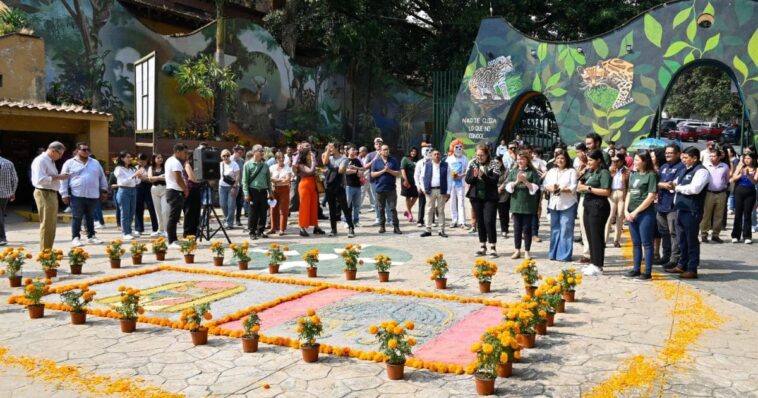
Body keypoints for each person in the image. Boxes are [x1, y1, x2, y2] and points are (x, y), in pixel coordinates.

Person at [665, 146, 710, 278]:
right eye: (682, 158)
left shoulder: (702, 172)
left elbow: (695, 189)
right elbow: (675, 185)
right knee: (682, 240)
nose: (683, 160)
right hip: (681, 209)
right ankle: (682, 265)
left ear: (695, 158)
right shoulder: (684, 170)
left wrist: (677, 187)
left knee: (691, 240)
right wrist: (671, 186)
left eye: (686, 158)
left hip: (692, 210)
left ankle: (692, 268)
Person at [59, 142, 108, 247]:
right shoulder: (69, 163)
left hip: (93, 195)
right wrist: (64, 194)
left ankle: (91, 237)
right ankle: (75, 238)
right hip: (77, 195)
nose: (86, 152)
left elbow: (102, 177)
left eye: (87, 150)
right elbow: (63, 180)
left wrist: (104, 190)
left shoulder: (95, 163)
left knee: (90, 217)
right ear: (77, 151)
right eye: (84, 150)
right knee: (77, 217)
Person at [624, 151, 659, 280]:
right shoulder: (633, 175)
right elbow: (629, 193)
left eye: (637, 160)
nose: (635, 162)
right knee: (636, 243)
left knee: (647, 243)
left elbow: (650, 196)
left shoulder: (651, 175)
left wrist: (636, 211)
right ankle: (636, 269)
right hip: (631, 213)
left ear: (644, 161)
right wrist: (626, 211)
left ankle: (647, 272)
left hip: (645, 213)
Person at [577, 149, 612, 276]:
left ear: (598, 160)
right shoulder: (590, 171)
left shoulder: (604, 173)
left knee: (597, 236)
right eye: (588, 160)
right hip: (588, 204)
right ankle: (593, 262)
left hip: (598, 205)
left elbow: (606, 191)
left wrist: (588, 188)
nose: (589, 162)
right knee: (590, 235)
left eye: (591, 160)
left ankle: (598, 264)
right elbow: (581, 181)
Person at [31, 142, 70, 250]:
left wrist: (58, 177)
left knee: (51, 224)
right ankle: (45, 251)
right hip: (44, 192)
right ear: (53, 151)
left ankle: (48, 249)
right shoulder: (41, 160)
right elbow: (40, 179)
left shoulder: (50, 161)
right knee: (47, 224)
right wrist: (58, 177)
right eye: (60, 154)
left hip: (51, 192)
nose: (61, 157)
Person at [466, 143, 501, 258]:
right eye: (477, 155)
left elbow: (495, 181)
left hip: (490, 197)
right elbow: (468, 179)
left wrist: (483, 176)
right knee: (480, 221)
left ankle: (493, 247)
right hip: (476, 197)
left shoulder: (494, 164)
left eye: (481, 155)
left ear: (487, 154)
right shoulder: (473, 163)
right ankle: (482, 246)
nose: (479, 157)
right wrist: (475, 176)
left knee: (489, 221)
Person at [543, 151, 577, 262]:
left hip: (568, 203)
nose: (560, 160)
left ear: (566, 159)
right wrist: (551, 188)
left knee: (566, 229)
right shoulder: (552, 171)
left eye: (562, 158)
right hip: (554, 203)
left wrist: (561, 189)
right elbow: (545, 184)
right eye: (557, 158)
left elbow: (573, 187)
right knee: (555, 229)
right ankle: (553, 253)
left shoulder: (571, 171)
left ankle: (564, 255)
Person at [506, 150, 540, 260]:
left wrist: (525, 181)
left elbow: (535, 188)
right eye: (518, 159)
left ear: (527, 160)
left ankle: (527, 251)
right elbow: (509, 187)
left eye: (522, 159)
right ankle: (517, 250)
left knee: (527, 229)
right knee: (517, 228)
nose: (520, 161)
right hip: (516, 203)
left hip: (528, 204)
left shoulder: (532, 172)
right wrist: (516, 181)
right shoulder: (514, 171)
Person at [656, 144, 685, 270]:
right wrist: (662, 184)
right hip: (661, 205)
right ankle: (666, 256)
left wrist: (662, 184)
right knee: (664, 233)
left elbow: (672, 185)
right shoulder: (663, 167)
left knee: (674, 233)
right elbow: (658, 183)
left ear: (678, 154)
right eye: (666, 153)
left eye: (671, 153)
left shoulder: (681, 167)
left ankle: (675, 258)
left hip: (673, 206)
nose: (667, 155)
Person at [293, 142, 325, 236]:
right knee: (304, 206)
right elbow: (310, 171)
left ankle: (316, 226)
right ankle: (302, 227)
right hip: (305, 185)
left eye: (309, 145)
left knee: (314, 206)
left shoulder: (311, 160)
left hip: (313, 184)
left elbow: (317, 170)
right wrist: (314, 161)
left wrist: (320, 170)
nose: (309, 146)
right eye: (306, 146)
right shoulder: (300, 163)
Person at [324, 143, 355, 237]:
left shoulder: (344, 158)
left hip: (340, 185)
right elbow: (325, 163)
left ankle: (351, 228)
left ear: (337, 148)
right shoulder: (329, 158)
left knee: (345, 207)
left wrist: (332, 168)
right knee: (331, 209)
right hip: (329, 186)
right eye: (329, 148)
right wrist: (328, 152)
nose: (330, 149)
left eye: (331, 147)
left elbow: (341, 171)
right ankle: (333, 229)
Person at [242, 145, 273, 239]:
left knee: (263, 213)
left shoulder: (265, 165)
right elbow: (244, 180)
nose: (262, 152)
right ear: (254, 152)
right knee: (253, 213)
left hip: (263, 191)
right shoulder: (247, 164)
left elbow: (268, 180)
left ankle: (260, 231)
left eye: (263, 151)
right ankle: (252, 232)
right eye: (260, 151)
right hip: (253, 191)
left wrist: (270, 192)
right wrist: (246, 193)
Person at [420, 148, 452, 238]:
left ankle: (441, 230)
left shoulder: (446, 165)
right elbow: (421, 177)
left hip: (442, 190)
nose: (437, 156)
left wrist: (448, 191)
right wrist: (423, 189)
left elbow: (449, 179)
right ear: (431, 156)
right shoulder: (427, 165)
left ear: (440, 155)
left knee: (441, 210)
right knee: (429, 210)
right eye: (435, 154)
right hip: (430, 191)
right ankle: (427, 229)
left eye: (438, 154)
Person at [370, 144, 402, 234]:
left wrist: (389, 170)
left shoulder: (393, 160)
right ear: (380, 151)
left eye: (387, 149)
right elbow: (372, 174)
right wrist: (383, 171)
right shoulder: (376, 162)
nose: (386, 151)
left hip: (391, 189)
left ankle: (396, 227)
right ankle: (382, 226)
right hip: (380, 189)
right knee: (381, 209)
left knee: (392, 208)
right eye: (384, 150)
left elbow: (399, 174)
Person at [699, 150, 730, 243]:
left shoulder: (725, 166)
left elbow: (727, 179)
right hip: (709, 193)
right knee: (706, 214)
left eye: (714, 156)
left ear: (719, 157)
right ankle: (704, 234)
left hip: (721, 193)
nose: (711, 158)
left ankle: (715, 234)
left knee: (719, 215)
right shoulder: (705, 166)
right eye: (710, 156)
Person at [113, 151, 144, 240]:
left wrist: (139, 176)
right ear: (122, 158)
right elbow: (122, 182)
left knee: (131, 212)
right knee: (125, 212)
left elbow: (136, 182)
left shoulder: (132, 169)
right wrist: (134, 175)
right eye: (127, 157)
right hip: (124, 190)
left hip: (133, 190)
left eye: (130, 157)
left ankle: (129, 230)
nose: (129, 158)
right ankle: (125, 232)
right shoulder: (119, 169)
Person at [730, 152, 757, 244]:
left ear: (753, 159)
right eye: (745, 158)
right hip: (739, 191)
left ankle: (747, 236)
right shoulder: (740, 167)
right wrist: (741, 174)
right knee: (738, 213)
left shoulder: (756, 169)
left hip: (750, 192)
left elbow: (754, 182)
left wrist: (749, 175)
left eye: (749, 158)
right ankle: (735, 235)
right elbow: (733, 178)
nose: (746, 160)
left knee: (747, 214)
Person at [166, 144, 189, 247]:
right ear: (178, 152)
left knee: (175, 217)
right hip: (175, 192)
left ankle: (174, 239)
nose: (186, 155)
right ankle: (171, 241)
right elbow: (178, 179)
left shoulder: (171, 160)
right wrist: (185, 189)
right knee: (173, 217)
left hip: (173, 191)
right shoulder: (175, 162)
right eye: (185, 153)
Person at [605, 153, 629, 248]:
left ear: (622, 161)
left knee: (620, 217)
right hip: (612, 193)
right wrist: (611, 172)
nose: (615, 162)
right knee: (609, 217)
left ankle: (616, 240)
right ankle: (605, 240)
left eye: (617, 161)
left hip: (622, 193)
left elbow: (627, 183)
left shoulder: (626, 171)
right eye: (613, 161)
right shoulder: (610, 170)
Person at [134, 153, 159, 237]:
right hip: (138, 188)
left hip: (148, 188)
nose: (140, 163)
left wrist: (143, 177)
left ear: (146, 160)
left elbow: (151, 179)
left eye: (142, 161)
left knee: (151, 208)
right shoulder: (136, 168)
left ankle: (155, 228)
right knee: (138, 208)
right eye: (139, 161)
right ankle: (139, 228)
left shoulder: (150, 168)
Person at [268, 150, 292, 236]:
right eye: (279, 158)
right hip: (274, 190)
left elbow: (287, 179)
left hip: (284, 189)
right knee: (273, 209)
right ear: (276, 159)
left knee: (283, 209)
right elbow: (269, 179)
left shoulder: (288, 167)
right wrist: (280, 180)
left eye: (282, 157)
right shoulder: (272, 167)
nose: (281, 159)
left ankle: (282, 229)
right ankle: (273, 228)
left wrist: (276, 181)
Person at [447, 139, 469, 228]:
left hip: (461, 183)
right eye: (457, 147)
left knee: (461, 202)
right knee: (452, 202)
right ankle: (454, 220)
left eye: (460, 147)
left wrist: (462, 175)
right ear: (453, 148)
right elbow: (447, 171)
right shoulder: (449, 159)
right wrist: (452, 174)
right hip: (451, 183)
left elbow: (468, 170)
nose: (459, 149)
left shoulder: (465, 158)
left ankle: (462, 221)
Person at [218, 149, 241, 230]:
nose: (226, 157)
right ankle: (227, 219)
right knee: (223, 204)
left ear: (230, 156)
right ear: (221, 157)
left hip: (232, 186)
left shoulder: (234, 164)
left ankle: (229, 223)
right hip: (222, 186)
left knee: (231, 205)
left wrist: (234, 186)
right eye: (224, 156)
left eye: (227, 155)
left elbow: (238, 176)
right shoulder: (220, 164)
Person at [0, 149, 18, 246]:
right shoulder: (8, 163)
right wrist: (12, 192)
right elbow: (15, 179)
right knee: (1, 214)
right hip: (5, 194)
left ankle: (2, 238)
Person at [148, 153, 168, 237]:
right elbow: (150, 179)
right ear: (154, 159)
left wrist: (155, 178)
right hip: (154, 190)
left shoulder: (165, 167)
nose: (160, 159)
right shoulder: (151, 168)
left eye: (161, 157)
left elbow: (168, 178)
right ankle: (160, 229)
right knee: (158, 211)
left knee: (165, 210)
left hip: (164, 189)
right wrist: (160, 177)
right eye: (158, 157)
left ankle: (167, 230)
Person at [183, 151, 202, 238]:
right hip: (190, 189)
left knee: (196, 210)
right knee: (189, 211)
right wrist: (200, 181)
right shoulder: (187, 164)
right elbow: (191, 177)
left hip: (197, 189)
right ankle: (187, 232)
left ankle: (195, 231)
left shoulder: (197, 165)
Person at [344, 146, 364, 228]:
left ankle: (356, 221)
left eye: (355, 150)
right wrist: (356, 171)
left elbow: (363, 169)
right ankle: (346, 221)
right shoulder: (345, 160)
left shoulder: (357, 160)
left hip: (357, 185)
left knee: (357, 205)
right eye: (352, 149)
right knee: (347, 205)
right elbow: (345, 171)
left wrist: (356, 168)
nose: (355, 151)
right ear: (348, 151)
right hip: (348, 185)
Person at [413, 143, 431, 227]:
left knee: (431, 204)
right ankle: (420, 220)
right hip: (422, 185)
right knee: (422, 204)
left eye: (430, 150)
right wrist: (418, 185)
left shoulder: (434, 162)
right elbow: (416, 175)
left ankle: (431, 220)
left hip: (431, 185)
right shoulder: (420, 163)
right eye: (427, 150)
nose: (429, 152)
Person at [400, 147, 419, 223]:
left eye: (415, 151)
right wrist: (405, 180)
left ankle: (407, 210)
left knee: (416, 196)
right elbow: (402, 170)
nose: (413, 153)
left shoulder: (417, 160)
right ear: (409, 152)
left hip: (415, 181)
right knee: (408, 196)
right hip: (406, 180)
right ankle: (410, 214)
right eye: (412, 151)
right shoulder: (405, 159)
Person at [231, 145, 246, 226]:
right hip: (231, 185)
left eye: (242, 153)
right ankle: (230, 219)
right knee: (231, 203)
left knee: (239, 203)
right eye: (239, 152)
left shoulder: (241, 160)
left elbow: (243, 172)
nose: (240, 154)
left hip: (240, 185)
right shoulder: (230, 159)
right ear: (235, 151)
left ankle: (238, 219)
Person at [495, 156, 511, 238]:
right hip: (493, 194)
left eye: (498, 163)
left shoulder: (506, 171)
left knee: (503, 214)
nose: (496, 164)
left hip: (504, 194)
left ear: (501, 162)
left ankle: (504, 230)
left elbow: (508, 180)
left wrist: (501, 187)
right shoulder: (492, 171)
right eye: (494, 163)